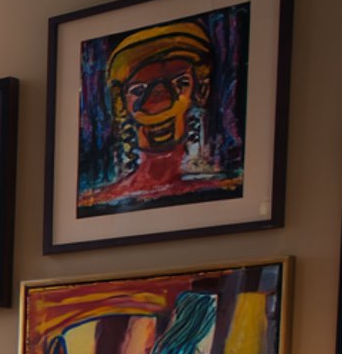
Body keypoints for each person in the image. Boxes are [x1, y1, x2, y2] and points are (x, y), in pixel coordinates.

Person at [81, 19, 234, 213]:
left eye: (180, 83)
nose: (158, 103)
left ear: (200, 90)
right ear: (121, 103)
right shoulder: (99, 201)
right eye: (139, 90)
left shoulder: (221, 190)